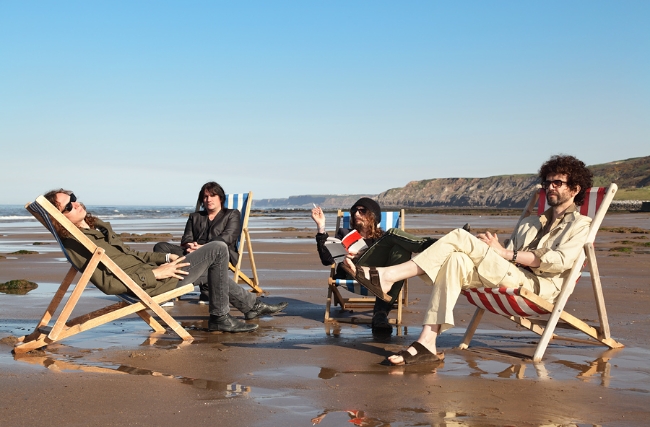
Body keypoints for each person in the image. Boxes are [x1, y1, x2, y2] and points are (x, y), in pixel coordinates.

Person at [343, 155, 594, 365]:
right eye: (547, 182)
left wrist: (507, 254)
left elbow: (559, 261)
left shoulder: (582, 225)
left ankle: (388, 276)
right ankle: (427, 343)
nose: (550, 187)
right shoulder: (531, 222)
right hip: (513, 276)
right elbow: (507, 259)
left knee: (460, 237)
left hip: (538, 289)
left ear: (574, 189)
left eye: (558, 183)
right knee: (455, 260)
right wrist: (496, 249)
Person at [44, 189, 287, 333]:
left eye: (73, 197)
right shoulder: (78, 242)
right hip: (150, 284)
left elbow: (132, 256)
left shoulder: (96, 229)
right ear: (59, 218)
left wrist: (166, 257)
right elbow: (107, 285)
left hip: (154, 274)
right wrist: (156, 274)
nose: (77, 203)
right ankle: (220, 318)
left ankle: (250, 307)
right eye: (69, 206)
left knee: (211, 270)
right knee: (218, 249)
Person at [312, 197, 433, 333]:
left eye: (362, 211)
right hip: (353, 271)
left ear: (373, 215)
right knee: (393, 234)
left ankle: (380, 315)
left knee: (400, 249)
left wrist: (362, 252)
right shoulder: (344, 233)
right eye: (355, 211)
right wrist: (321, 227)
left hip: (378, 276)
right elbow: (326, 260)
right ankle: (433, 246)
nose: (357, 214)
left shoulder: (382, 238)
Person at [154, 181, 240, 304]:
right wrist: (190, 245)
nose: (208, 199)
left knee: (216, 249)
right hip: (193, 253)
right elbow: (186, 238)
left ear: (220, 198)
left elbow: (228, 237)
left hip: (220, 253)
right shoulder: (195, 216)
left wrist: (203, 247)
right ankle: (166, 290)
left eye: (212, 196)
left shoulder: (232, 214)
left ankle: (207, 291)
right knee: (160, 247)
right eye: (205, 196)